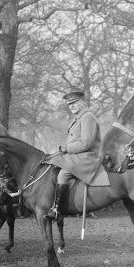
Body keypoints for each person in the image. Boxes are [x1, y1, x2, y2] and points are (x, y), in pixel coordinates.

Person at [44, 90, 102, 219]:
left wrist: (67, 148)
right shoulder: (77, 118)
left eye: (74, 103)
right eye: (69, 104)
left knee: (63, 175)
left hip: (87, 156)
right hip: (77, 155)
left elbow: (86, 143)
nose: (72, 106)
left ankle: (57, 209)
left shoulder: (87, 117)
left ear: (83, 102)